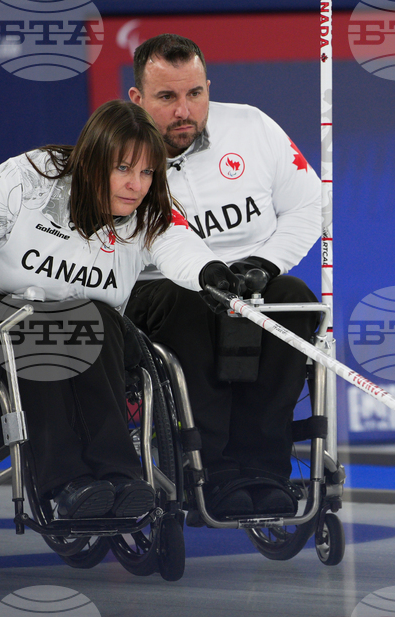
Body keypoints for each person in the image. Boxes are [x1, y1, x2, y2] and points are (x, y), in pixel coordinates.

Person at [0, 100, 239, 520]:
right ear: (92, 163)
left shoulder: (150, 206)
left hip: (83, 324)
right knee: (39, 327)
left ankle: (120, 477)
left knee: (103, 320)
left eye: (146, 172)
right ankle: (66, 483)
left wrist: (209, 272)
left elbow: (178, 245)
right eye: (123, 168)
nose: (136, 185)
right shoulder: (30, 177)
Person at [126, 34, 322, 520]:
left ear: (208, 87)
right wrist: (205, 274)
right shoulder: (123, 150)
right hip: (159, 287)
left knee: (293, 298)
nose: (184, 111)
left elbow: (308, 203)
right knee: (192, 306)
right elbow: (157, 235)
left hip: (250, 277)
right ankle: (210, 471)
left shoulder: (252, 126)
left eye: (195, 94)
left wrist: (267, 265)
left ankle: (265, 470)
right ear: (138, 99)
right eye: (166, 97)